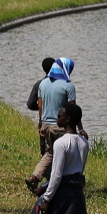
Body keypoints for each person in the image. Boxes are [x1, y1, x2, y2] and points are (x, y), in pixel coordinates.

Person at [31, 103, 88, 214]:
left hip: (62, 192)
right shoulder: (84, 142)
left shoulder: (61, 143)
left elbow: (56, 175)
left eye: (60, 116)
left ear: (68, 119)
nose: (57, 118)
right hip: (76, 193)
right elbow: (80, 170)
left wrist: (47, 199)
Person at [27, 58, 85, 193]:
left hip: (46, 126)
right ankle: (60, 185)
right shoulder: (68, 85)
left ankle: (34, 177)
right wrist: (80, 129)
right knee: (66, 157)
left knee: (50, 153)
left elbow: (40, 106)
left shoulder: (43, 83)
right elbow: (73, 110)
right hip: (61, 127)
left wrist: (41, 125)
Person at [26, 57, 56, 155]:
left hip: (44, 121)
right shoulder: (62, 83)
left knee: (45, 151)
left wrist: (44, 107)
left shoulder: (39, 84)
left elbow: (30, 104)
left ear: (43, 69)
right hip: (59, 122)